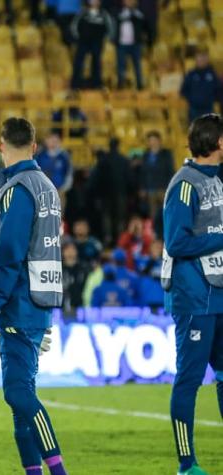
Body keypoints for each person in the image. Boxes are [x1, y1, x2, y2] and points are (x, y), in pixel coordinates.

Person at [0, 118, 68, 475]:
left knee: (17, 394)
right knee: (20, 400)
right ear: (34, 147)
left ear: (0, 145)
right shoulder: (48, 187)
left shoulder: (17, 189)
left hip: (20, 302)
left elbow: (11, 253)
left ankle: (58, 470)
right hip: (41, 299)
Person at [161, 113, 223, 475]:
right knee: (190, 378)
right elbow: (176, 242)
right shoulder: (184, 184)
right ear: (218, 143)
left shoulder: (217, 179)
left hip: (218, 292)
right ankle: (187, 464)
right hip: (194, 295)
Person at [69, 0, 114, 89]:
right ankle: (75, 83)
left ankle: (96, 83)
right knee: (79, 61)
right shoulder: (83, 12)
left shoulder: (104, 14)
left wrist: (106, 38)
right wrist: (77, 37)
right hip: (83, 41)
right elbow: (74, 25)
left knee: (96, 61)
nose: (94, 2)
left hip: (97, 42)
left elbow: (110, 28)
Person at [180, 51, 220, 122]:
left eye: (204, 58)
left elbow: (218, 90)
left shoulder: (212, 74)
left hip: (208, 109)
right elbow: (183, 90)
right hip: (194, 110)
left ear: (207, 59)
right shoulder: (191, 74)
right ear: (196, 59)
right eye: (199, 57)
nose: (201, 60)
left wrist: (211, 99)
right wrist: (192, 99)